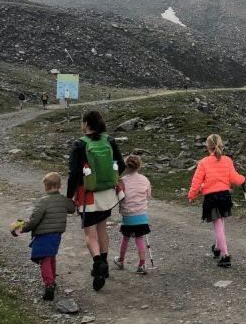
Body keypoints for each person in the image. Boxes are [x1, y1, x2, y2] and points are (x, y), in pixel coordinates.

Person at [67, 110, 125, 291]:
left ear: (85, 123)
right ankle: (104, 265)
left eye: (81, 121)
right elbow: (121, 165)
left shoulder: (79, 144)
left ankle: (98, 264)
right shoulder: (109, 141)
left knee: (89, 233)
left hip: (88, 195)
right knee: (102, 228)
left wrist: (69, 197)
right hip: (107, 194)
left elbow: (74, 174)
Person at [11, 172, 76, 301]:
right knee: (51, 256)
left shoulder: (43, 202)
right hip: (57, 234)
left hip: (43, 235)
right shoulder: (63, 200)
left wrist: (21, 229)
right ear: (59, 185)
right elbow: (72, 208)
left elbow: (34, 220)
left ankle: (49, 284)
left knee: (44, 260)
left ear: (46, 186)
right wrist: (72, 200)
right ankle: (53, 279)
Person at [188, 134, 245, 268]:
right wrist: (243, 179)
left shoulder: (203, 162)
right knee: (221, 223)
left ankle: (225, 255)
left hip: (212, 198)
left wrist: (191, 196)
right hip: (224, 196)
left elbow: (196, 182)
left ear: (208, 147)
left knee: (218, 225)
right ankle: (218, 247)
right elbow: (234, 178)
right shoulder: (227, 160)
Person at [115, 155, 152, 275]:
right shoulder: (145, 180)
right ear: (139, 166)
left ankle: (121, 260)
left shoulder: (122, 181)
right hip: (141, 215)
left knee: (125, 237)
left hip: (128, 216)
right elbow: (148, 195)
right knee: (139, 238)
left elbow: (119, 197)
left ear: (126, 166)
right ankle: (142, 264)